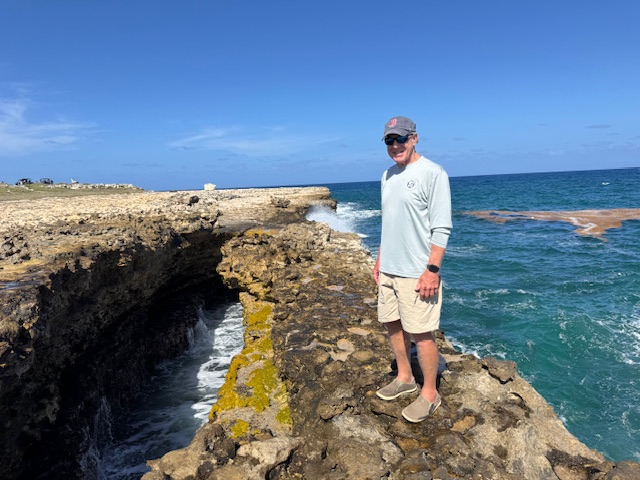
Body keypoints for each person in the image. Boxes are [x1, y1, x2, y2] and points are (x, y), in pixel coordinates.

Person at [373, 116, 453, 423]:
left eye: (401, 139)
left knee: (421, 333)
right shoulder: (388, 175)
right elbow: (388, 222)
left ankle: (430, 394)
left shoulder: (433, 173)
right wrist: (380, 260)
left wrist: (432, 270)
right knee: (392, 324)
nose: (395, 146)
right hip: (390, 269)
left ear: (415, 138)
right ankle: (405, 377)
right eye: (390, 141)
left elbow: (442, 227)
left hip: (417, 272)